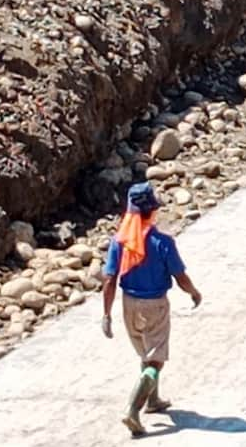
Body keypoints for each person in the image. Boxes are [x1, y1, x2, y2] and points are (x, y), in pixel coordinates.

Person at [102, 182, 202, 436]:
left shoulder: (120, 242)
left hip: (128, 305)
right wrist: (193, 292)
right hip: (155, 305)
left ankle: (153, 400)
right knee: (155, 361)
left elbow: (109, 280)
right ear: (153, 211)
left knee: (146, 354)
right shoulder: (162, 242)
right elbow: (180, 276)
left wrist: (106, 314)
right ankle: (132, 410)